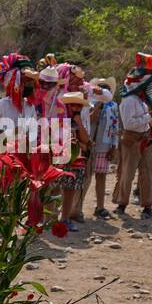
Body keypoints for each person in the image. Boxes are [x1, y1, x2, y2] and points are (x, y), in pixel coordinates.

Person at [115, 59, 152, 218]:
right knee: (128, 173)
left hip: (145, 139)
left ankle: (147, 205)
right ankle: (122, 203)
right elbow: (129, 123)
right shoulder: (129, 101)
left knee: (147, 173)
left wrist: (150, 119)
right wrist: (148, 117)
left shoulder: (139, 100)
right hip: (132, 140)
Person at [56, 90, 92, 229]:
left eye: (79, 106)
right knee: (54, 189)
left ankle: (65, 218)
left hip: (76, 160)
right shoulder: (59, 119)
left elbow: (86, 140)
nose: (77, 108)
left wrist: (79, 124)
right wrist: (79, 143)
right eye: (74, 106)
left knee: (70, 189)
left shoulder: (78, 121)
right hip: (60, 158)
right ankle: (50, 218)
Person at [86, 79, 120, 220]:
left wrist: (114, 146)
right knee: (85, 176)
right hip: (89, 143)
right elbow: (89, 120)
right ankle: (77, 207)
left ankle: (100, 206)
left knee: (101, 176)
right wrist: (97, 106)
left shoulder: (113, 106)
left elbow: (115, 127)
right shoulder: (89, 103)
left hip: (104, 145)